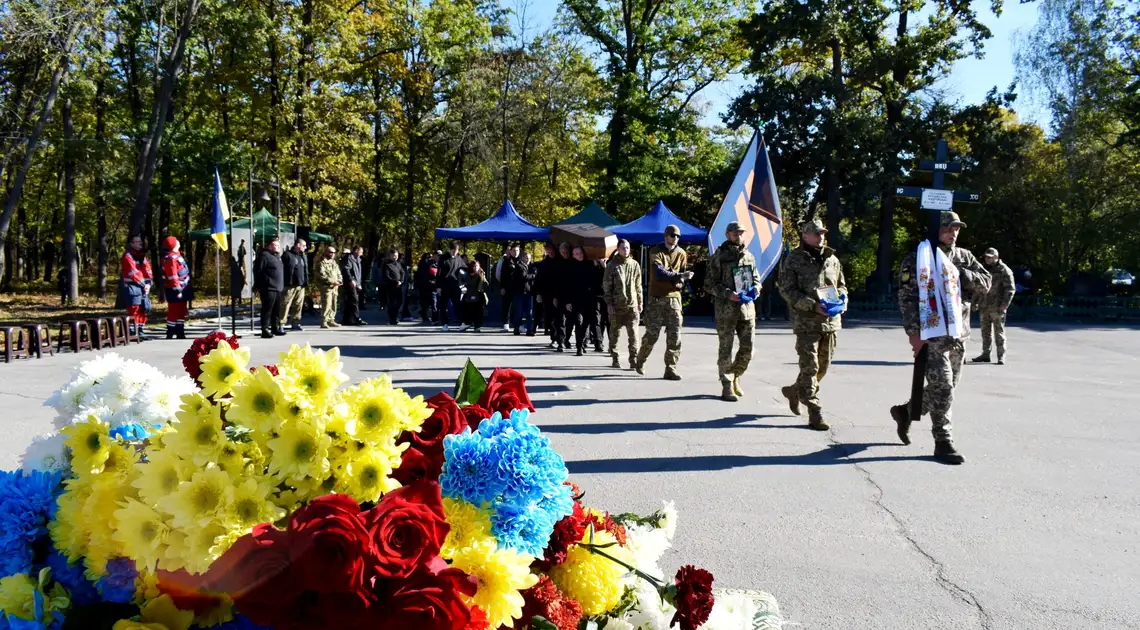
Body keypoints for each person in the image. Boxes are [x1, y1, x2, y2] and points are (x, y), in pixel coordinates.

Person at [891, 211, 992, 465]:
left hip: (959, 334)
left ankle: (906, 411)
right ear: (935, 229)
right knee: (943, 386)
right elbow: (907, 298)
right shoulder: (917, 258)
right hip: (932, 335)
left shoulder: (964, 257)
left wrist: (962, 274)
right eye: (948, 228)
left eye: (956, 228)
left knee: (945, 389)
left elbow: (986, 283)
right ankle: (943, 441)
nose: (953, 232)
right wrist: (914, 334)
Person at [779, 219, 847, 429]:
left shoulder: (832, 259)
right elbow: (786, 290)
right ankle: (815, 412)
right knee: (810, 367)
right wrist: (811, 306)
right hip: (806, 322)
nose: (821, 237)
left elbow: (842, 285)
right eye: (816, 233)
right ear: (805, 235)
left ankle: (794, 391)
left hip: (830, 322)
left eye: (822, 233)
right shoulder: (794, 260)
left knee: (822, 368)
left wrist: (843, 300)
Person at [704, 222, 760, 401]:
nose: (738, 236)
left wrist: (756, 288)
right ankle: (727, 385)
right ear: (727, 235)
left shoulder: (749, 255)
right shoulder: (719, 256)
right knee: (725, 350)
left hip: (746, 310)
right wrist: (728, 294)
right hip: (726, 311)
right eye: (735, 233)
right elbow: (709, 284)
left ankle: (735, 375)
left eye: (741, 233)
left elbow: (756, 278)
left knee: (748, 349)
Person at [635, 225, 692, 379]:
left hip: (674, 298)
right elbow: (659, 273)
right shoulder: (656, 251)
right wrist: (680, 276)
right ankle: (640, 359)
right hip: (657, 298)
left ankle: (671, 368)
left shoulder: (681, 253)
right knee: (652, 334)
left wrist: (681, 280)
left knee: (675, 335)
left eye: (678, 236)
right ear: (666, 235)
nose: (675, 238)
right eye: (673, 235)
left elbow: (683, 275)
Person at [603, 239, 643, 370]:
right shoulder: (612, 265)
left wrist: (640, 302)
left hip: (632, 306)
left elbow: (638, 285)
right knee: (615, 333)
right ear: (618, 249)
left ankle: (633, 359)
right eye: (623, 248)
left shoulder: (635, 265)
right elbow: (607, 287)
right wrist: (609, 304)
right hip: (616, 306)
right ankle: (615, 358)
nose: (626, 250)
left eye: (628, 248)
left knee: (633, 334)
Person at [973, 247, 1016, 365]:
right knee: (985, 332)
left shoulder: (1004, 270)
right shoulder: (983, 269)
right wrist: (975, 302)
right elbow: (978, 287)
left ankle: (1001, 356)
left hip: (997, 306)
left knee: (999, 332)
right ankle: (985, 354)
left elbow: (1010, 289)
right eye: (986, 257)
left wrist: (1005, 304)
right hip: (984, 305)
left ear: (996, 257)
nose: (987, 259)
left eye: (990, 257)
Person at [564, 245, 597, 356]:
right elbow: (567, 286)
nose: (580, 255)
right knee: (579, 322)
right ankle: (579, 347)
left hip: (589, 299)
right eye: (577, 254)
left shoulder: (591, 264)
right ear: (573, 255)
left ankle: (582, 343)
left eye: (581, 253)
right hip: (576, 300)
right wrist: (568, 301)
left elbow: (598, 279)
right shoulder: (570, 267)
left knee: (586, 323)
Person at [117, 235, 153, 338]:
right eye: (137, 242)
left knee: (144, 309)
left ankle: (140, 331)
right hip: (132, 287)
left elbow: (148, 270)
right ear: (131, 244)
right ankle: (133, 332)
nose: (140, 243)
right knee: (134, 309)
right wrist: (144, 283)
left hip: (143, 287)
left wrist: (149, 283)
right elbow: (133, 272)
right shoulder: (128, 256)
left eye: (140, 242)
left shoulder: (142, 256)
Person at [253, 237, 286, 338]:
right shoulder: (264, 256)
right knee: (267, 309)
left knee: (277, 310)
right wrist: (260, 284)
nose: (278, 247)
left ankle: (275, 327)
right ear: (270, 246)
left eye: (278, 246)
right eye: (275, 245)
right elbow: (258, 271)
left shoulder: (277, 256)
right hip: (268, 288)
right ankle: (265, 329)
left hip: (278, 287)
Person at [161, 236, 193, 340]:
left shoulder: (177, 255)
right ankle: (170, 333)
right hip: (175, 289)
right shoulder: (170, 258)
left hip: (183, 287)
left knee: (182, 310)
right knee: (174, 311)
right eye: (176, 241)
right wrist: (177, 289)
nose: (179, 242)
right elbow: (172, 275)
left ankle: (180, 331)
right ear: (173, 244)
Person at [280, 239, 309, 331]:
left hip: (300, 285)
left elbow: (305, 270)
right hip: (290, 285)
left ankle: (296, 323)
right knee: (285, 304)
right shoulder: (287, 255)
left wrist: (305, 282)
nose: (305, 247)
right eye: (304, 245)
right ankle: (281, 323)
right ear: (298, 245)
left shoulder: (303, 256)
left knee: (298, 305)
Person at [533, 243, 558, 342]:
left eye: (552, 250)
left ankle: (560, 337)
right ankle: (553, 337)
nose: (550, 252)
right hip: (547, 294)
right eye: (548, 250)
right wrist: (538, 293)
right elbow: (538, 279)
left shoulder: (560, 262)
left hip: (559, 293)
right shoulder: (544, 264)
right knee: (550, 317)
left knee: (560, 317)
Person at [437, 242, 464, 331]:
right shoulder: (443, 258)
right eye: (453, 250)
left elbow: (464, 267)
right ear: (450, 249)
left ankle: (461, 323)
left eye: (456, 251)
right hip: (445, 284)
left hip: (455, 284)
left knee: (457, 304)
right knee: (443, 305)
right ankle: (444, 324)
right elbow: (439, 273)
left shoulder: (459, 258)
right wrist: (439, 286)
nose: (454, 252)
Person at [315, 246, 343, 329]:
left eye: (334, 252)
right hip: (326, 287)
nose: (333, 254)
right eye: (331, 252)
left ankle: (331, 320)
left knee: (334, 304)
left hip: (335, 287)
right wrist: (332, 281)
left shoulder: (334, 262)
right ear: (326, 252)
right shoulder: (321, 263)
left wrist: (339, 280)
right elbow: (321, 275)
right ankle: (324, 321)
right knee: (326, 304)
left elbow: (338, 272)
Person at [508, 250, 534, 335]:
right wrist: (534, 275)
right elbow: (524, 277)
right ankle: (516, 328)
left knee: (529, 312)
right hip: (520, 292)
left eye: (529, 258)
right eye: (526, 258)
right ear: (522, 258)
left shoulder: (530, 266)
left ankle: (529, 330)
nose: (528, 260)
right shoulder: (519, 266)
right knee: (518, 312)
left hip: (528, 292)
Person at [340, 246, 365, 326]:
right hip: (350, 283)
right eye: (361, 251)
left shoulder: (358, 259)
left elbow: (358, 273)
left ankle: (346, 319)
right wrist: (351, 280)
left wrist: (359, 283)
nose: (362, 253)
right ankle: (357, 318)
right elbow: (346, 270)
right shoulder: (349, 258)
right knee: (354, 300)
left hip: (356, 283)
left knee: (349, 301)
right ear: (356, 250)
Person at [497, 244, 520, 331]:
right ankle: (506, 323)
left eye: (517, 250)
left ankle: (517, 324)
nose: (516, 252)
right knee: (507, 306)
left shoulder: (520, 261)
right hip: (507, 287)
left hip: (518, 287)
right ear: (510, 251)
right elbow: (502, 275)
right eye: (514, 250)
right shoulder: (506, 261)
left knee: (517, 307)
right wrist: (502, 287)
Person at [461, 259, 489, 332]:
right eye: (474, 266)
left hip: (479, 295)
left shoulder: (482, 273)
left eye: (477, 266)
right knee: (469, 310)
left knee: (479, 311)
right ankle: (467, 323)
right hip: (470, 295)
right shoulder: (468, 274)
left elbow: (486, 284)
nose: (475, 267)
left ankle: (477, 326)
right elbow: (469, 283)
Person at [382, 248, 406, 325]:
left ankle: (395, 315)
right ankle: (392, 318)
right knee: (392, 303)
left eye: (397, 255)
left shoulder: (398, 263)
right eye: (394, 255)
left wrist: (401, 281)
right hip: (391, 286)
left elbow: (402, 272)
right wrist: (395, 282)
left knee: (399, 302)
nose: (395, 257)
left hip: (399, 286)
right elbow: (386, 276)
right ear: (390, 256)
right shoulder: (387, 264)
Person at [415, 252, 439, 324]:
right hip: (424, 286)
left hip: (430, 286)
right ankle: (425, 315)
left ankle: (433, 317)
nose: (429, 259)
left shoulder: (432, 265)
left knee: (431, 302)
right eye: (427, 258)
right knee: (426, 302)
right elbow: (420, 276)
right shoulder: (422, 266)